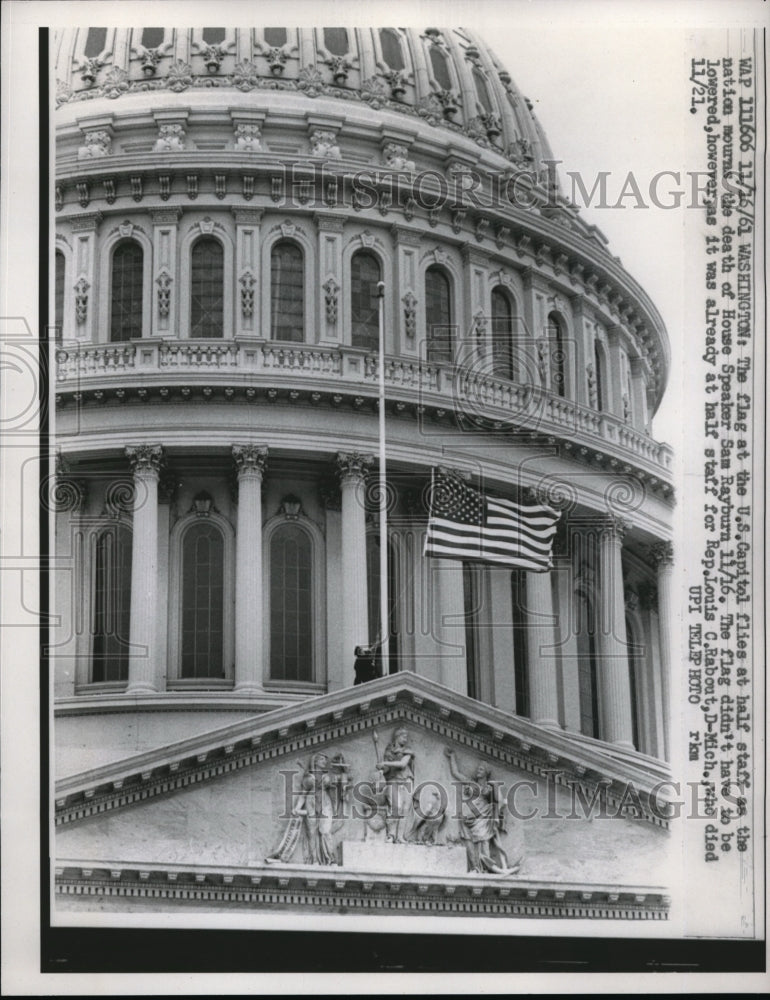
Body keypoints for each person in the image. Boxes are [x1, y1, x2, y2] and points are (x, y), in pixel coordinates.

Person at [444, 748, 520, 875]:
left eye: (481, 769)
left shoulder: (488, 788)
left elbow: (500, 802)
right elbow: (456, 773)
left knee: (483, 845)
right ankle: (475, 868)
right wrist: (452, 757)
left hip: (482, 819)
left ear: (486, 773)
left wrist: (495, 789)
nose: (477, 771)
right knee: (469, 844)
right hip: (467, 820)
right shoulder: (471, 784)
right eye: (478, 769)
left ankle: (489, 868)